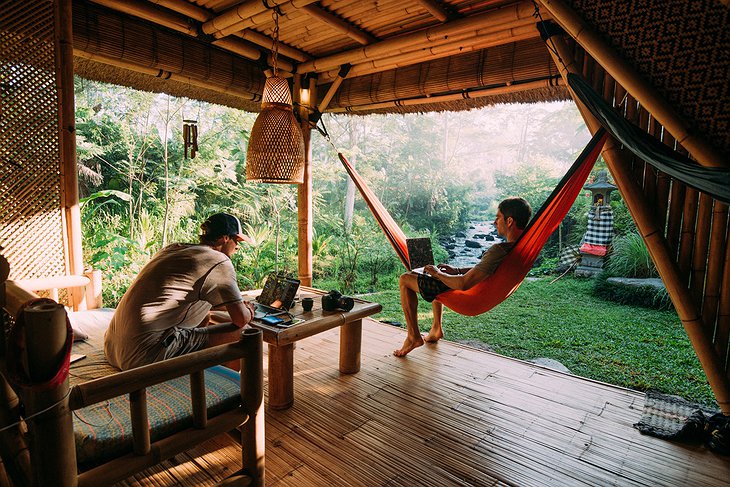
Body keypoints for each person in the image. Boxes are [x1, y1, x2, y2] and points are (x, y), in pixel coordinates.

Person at [104, 212, 257, 370]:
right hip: (144, 355)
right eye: (236, 240)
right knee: (244, 333)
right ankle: (232, 387)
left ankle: (207, 372)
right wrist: (248, 310)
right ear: (224, 238)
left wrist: (237, 305)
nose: (238, 247)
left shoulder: (173, 249)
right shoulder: (218, 260)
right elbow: (240, 318)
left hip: (113, 348)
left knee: (204, 314)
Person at [394, 197, 532, 357]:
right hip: (479, 290)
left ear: (509, 221)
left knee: (406, 279)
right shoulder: (519, 247)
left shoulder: (499, 250)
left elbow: (463, 284)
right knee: (431, 274)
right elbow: (485, 270)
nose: (495, 222)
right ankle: (436, 328)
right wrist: (457, 269)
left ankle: (413, 337)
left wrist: (439, 274)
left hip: (470, 296)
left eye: (498, 217)